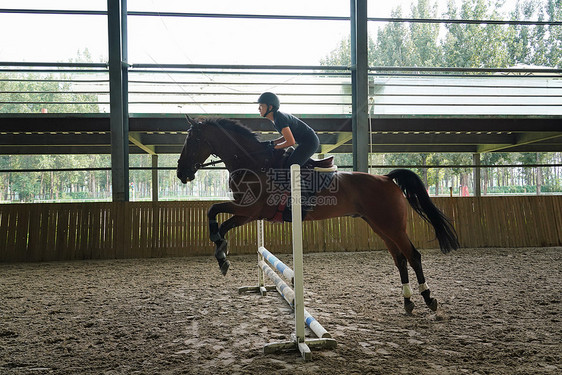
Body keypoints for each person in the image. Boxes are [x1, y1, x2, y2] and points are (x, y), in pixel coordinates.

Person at [257, 92, 320, 168]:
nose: (258, 108)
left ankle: (300, 180)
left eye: (261, 106)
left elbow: (291, 142)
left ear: (270, 107)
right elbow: (286, 137)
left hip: (310, 143)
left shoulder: (279, 119)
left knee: (290, 167)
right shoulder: (276, 118)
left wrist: (274, 147)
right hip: (307, 142)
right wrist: (272, 142)